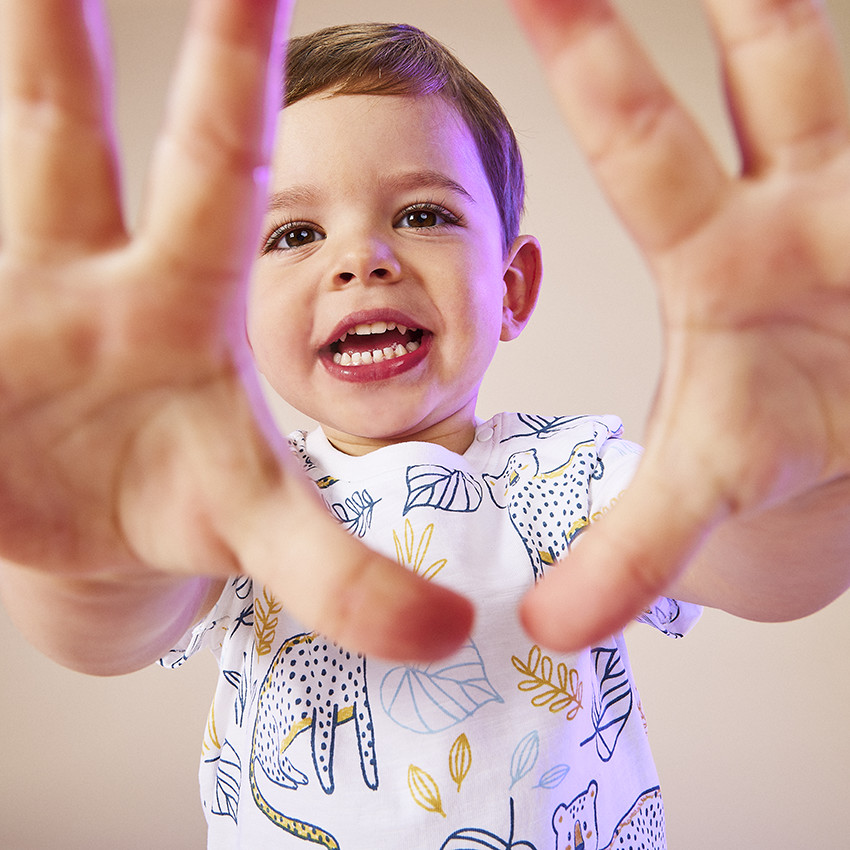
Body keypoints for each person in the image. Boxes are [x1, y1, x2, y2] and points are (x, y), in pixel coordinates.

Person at [0, 0, 848, 846]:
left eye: (422, 215)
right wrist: (92, 551)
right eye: (295, 232)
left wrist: (804, 479)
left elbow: (763, 568)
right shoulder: (242, 490)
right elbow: (109, 628)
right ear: (229, 311)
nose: (362, 257)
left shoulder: (564, 475)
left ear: (510, 287)